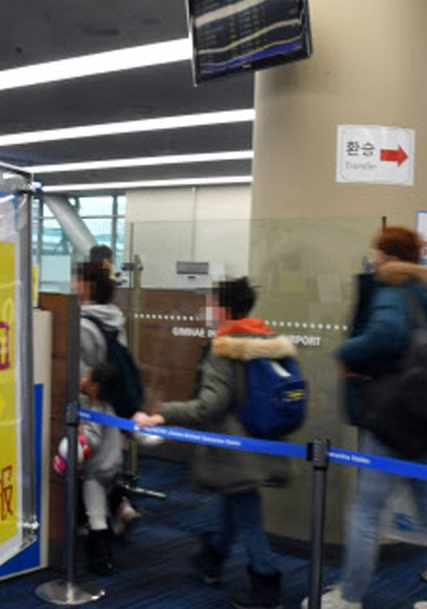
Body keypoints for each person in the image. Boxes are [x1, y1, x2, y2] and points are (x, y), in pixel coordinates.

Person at [306, 226, 427, 609]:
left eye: (376, 252)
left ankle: (349, 596)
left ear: (390, 256)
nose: (372, 258)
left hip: (391, 418)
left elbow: (384, 336)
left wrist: (347, 352)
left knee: (365, 512)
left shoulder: (393, 291)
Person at [133, 278, 291, 609]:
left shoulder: (226, 346)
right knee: (234, 501)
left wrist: (164, 413)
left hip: (235, 448)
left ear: (224, 309)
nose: (207, 310)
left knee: (247, 513)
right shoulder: (266, 337)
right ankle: (213, 557)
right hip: (261, 440)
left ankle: (266, 583)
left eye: (211, 303)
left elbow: (210, 404)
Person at [73, 259, 132, 575]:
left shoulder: (82, 324)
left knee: (90, 475)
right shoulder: (115, 319)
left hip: (88, 405)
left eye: (77, 280)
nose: (72, 285)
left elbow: (80, 373)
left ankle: (97, 544)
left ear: (86, 285)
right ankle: (118, 510)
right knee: (106, 469)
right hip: (111, 407)